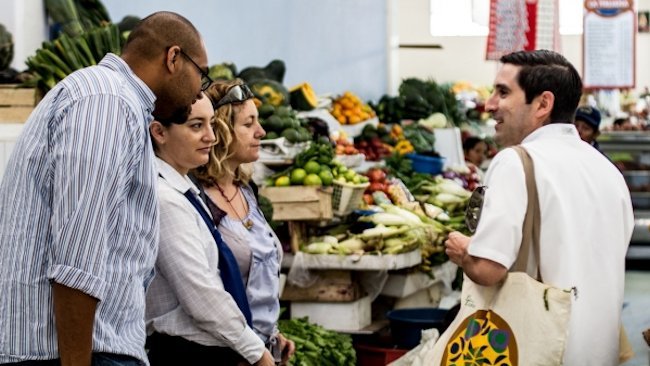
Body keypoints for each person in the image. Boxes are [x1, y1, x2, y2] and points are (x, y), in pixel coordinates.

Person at [0, 12, 209, 366]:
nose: (198, 93)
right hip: (73, 355)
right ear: (173, 58)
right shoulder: (107, 101)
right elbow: (76, 260)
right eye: (201, 76)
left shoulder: (115, 102)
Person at [444, 50, 634, 365]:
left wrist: (462, 249)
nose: (490, 104)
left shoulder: (517, 161)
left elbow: (487, 268)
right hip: (598, 352)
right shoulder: (608, 172)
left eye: (503, 92)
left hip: (540, 349)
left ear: (543, 104)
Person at [191, 79, 295, 365]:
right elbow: (205, 294)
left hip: (260, 352)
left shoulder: (248, 192)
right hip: (224, 355)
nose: (260, 132)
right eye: (249, 124)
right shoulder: (197, 201)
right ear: (222, 131)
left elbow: (258, 277)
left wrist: (272, 334)